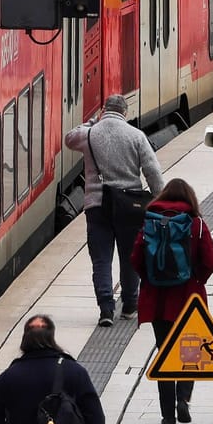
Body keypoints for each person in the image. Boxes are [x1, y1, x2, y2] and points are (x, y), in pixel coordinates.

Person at [63, 95, 163, 327]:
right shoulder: (136, 136)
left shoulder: (89, 134)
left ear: (104, 111)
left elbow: (69, 139)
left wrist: (89, 123)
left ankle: (106, 309)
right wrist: (162, 200)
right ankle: (129, 306)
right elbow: (153, 172)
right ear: (125, 113)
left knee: (101, 259)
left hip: (97, 206)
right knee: (131, 257)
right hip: (131, 207)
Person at [134, 179, 213, 424]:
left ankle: (167, 414)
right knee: (189, 352)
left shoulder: (150, 224)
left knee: (164, 353)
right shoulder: (197, 225)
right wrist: (197, 280)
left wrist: (150, 279)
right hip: (189, 298)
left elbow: (136, 257)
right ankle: (183, 399)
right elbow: (210, 261)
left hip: (157, 300)